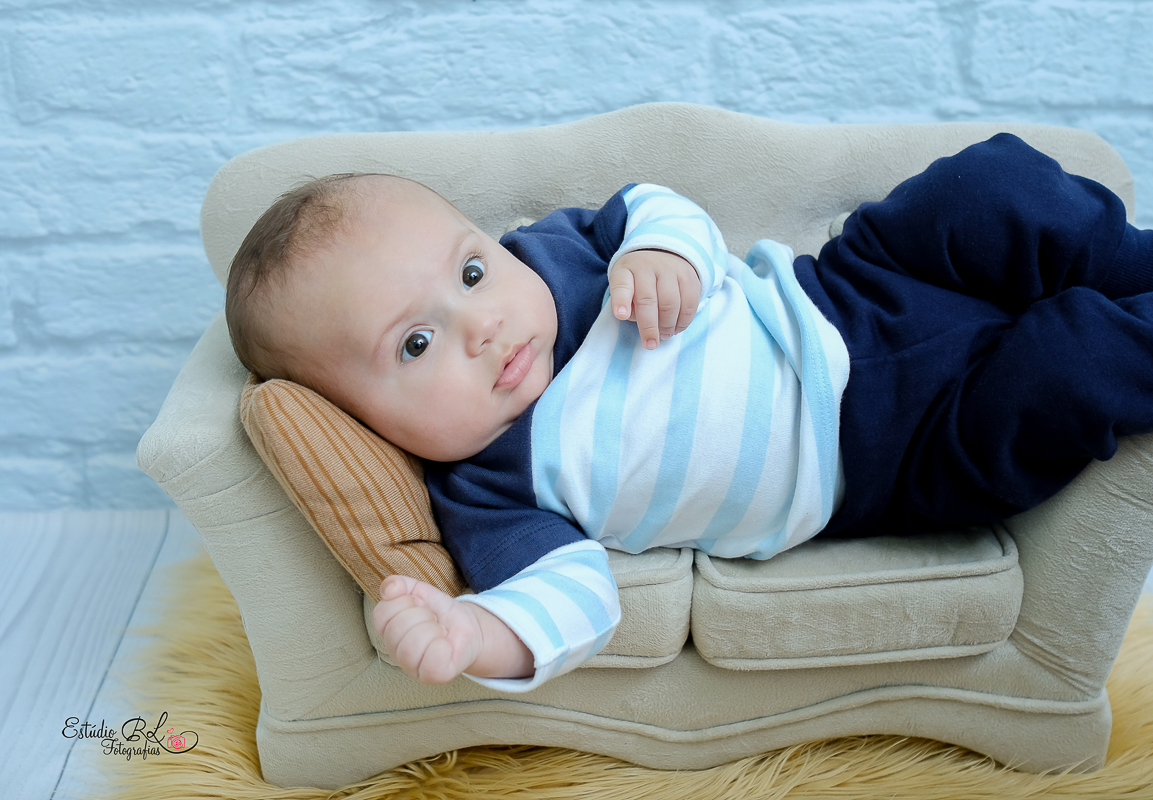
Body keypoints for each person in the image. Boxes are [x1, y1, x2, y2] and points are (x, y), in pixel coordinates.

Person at [225, 133, 1153, 692]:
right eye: (414, 346)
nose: (480, 325)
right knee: (1070, 360)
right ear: (361, 422)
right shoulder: (491, 491)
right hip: (900, 453)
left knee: (985, 187)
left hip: (852, 288)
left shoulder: (556, 255)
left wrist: (662, 252)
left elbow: (652, 203)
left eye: (468, 273)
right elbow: (569, 601)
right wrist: (476, 636)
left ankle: (1133, 262)